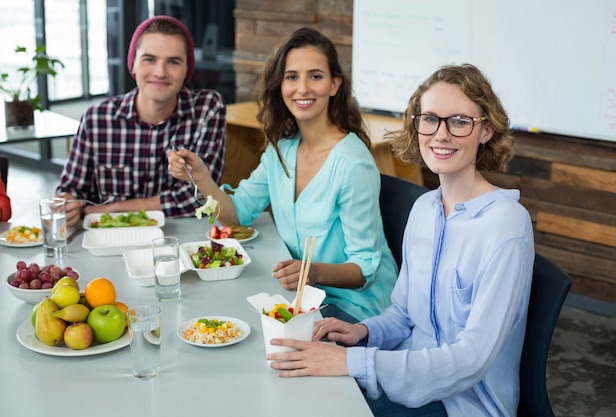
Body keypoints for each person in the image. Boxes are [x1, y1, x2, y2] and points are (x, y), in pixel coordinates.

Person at [265, 64, 535, 417]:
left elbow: (471, 359)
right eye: (429, 119)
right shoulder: (424, 209)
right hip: (406, 378)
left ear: (485, 130)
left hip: (462, 405)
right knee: (293, 386)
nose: (440, 134)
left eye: (459, 121)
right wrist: (361, 331)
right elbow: (404, 315)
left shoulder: (505, 224)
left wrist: (353, 361)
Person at [168, 27, 398, 322]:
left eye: (315, 76)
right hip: (300, 295)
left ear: (334, 85)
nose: (302, 88)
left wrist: (311, 271)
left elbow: (364, 269)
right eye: (292, 77)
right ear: (280, 85)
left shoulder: (353, 164)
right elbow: (237, 213)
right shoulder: (283, 149)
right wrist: (199, 175)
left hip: (355, 309)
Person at [56, 15, 226, 228]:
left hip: (182, 240)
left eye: (173, 62)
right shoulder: (97, 118)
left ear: (186, 71)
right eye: (149, 59)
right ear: (133, 65)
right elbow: (73, 190)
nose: (160, 72)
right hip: (108, 239)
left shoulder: (207, 108)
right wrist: (67, 205)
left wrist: (113, 208)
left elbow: (202, 196)